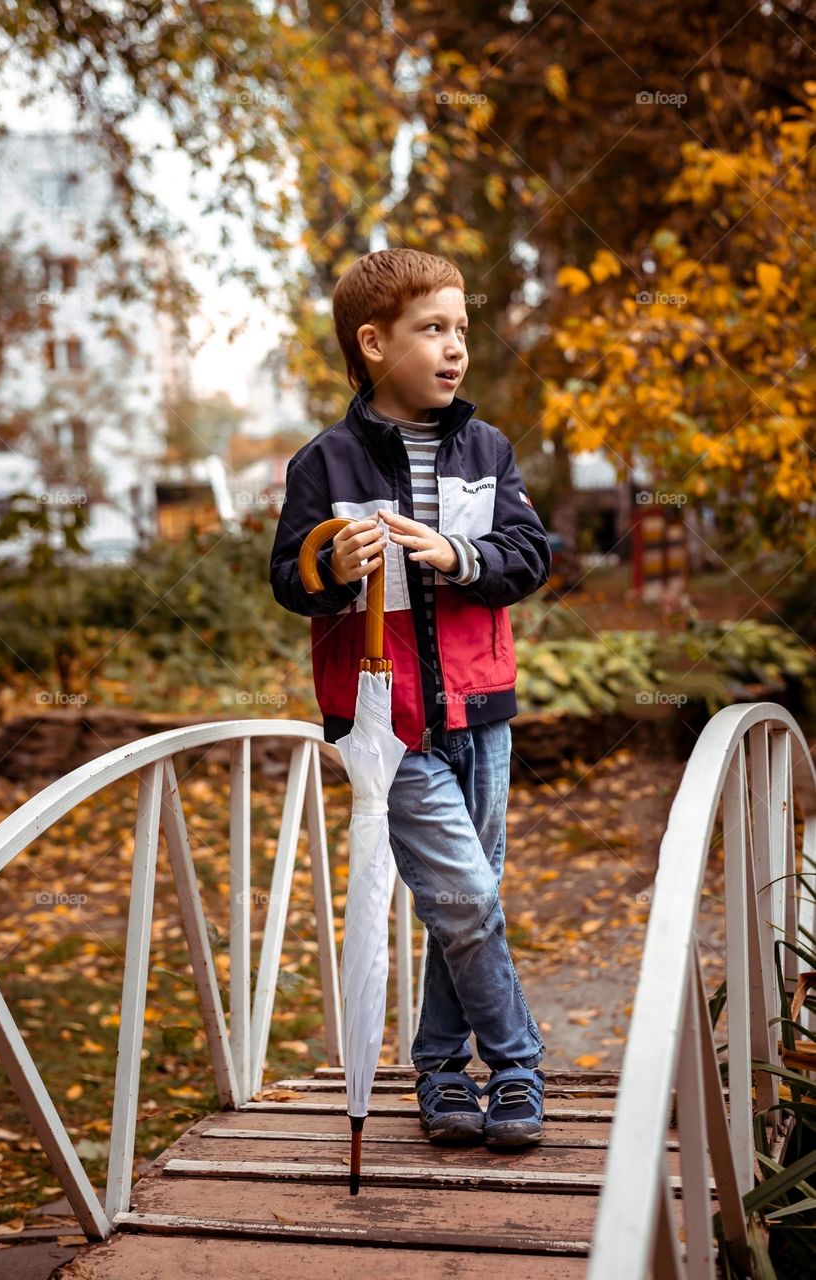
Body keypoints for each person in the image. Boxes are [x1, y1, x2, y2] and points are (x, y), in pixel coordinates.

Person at [269, 247, 552, 1148]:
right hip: (387, 722)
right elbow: (287, 576)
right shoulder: (326, 461)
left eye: (461, 329)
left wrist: (455, 555)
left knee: (462, 905)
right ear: (373, 342)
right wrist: (329, 567)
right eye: (433, 329)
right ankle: (515, 1065)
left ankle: (439, 1074)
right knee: (467, 899)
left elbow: (529, 556)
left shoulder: (487, 448)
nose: (456, 347)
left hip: (482, 712)